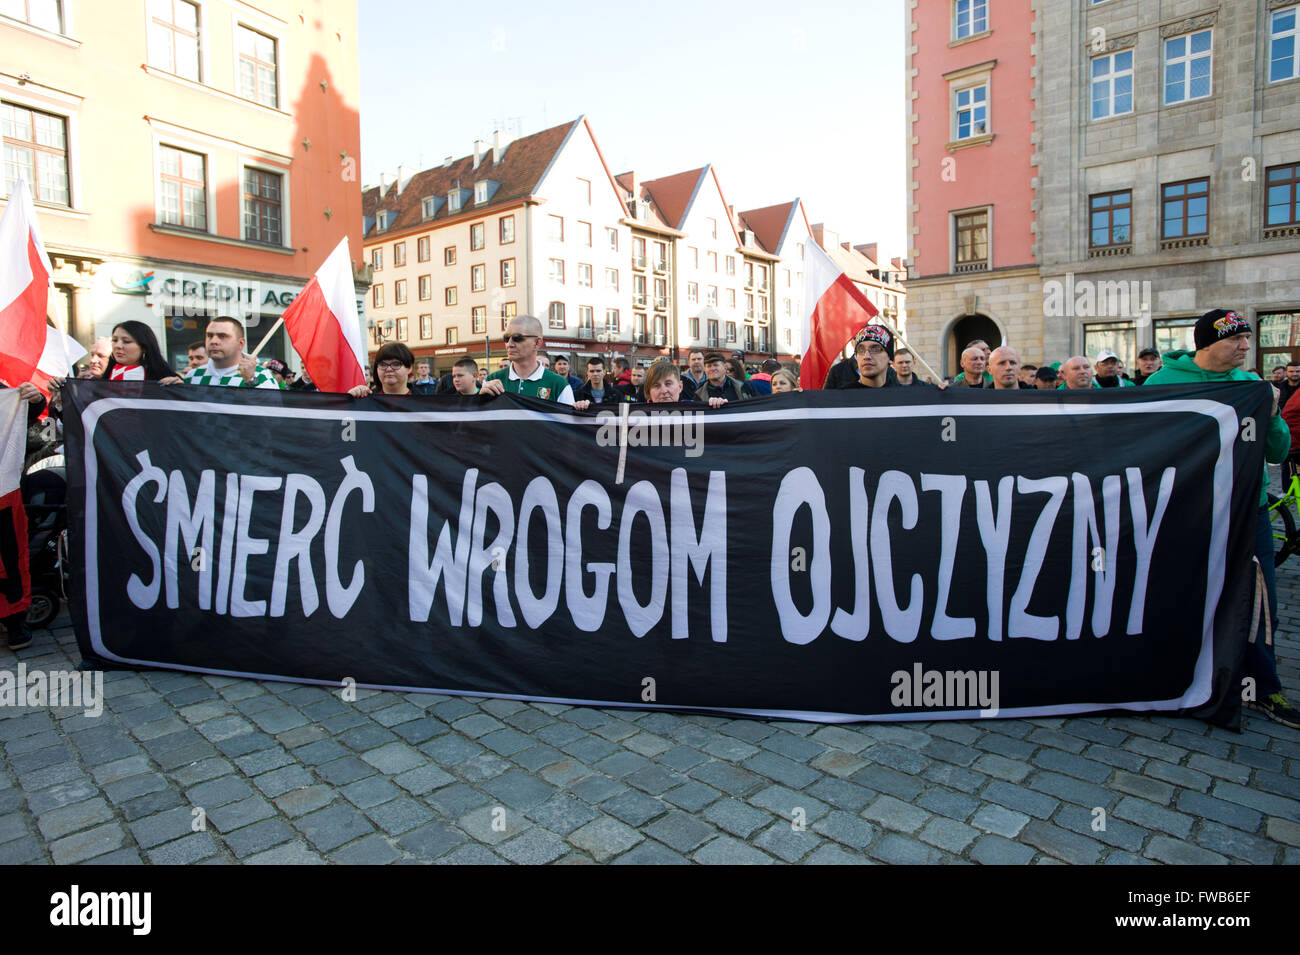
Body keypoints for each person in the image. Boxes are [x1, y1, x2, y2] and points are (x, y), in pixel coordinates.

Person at [1146, 308, 1298, 727]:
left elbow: (1277, 454)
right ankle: (1168, 673)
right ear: (1208, 343)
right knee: (1175, 589)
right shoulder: (1162, 384)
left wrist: (1272, 416)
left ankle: (1264, 687)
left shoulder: (1252, 386)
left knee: (1260, 595)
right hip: (1184, 509)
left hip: (1248, 510)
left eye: (1248, 339)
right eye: (1237, 339)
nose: (1246, 347)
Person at [480, 315, 575, 405]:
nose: (509, 344)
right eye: (506, 338)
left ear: (537, 343)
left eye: (517, 338)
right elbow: (480, 419)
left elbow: (570, 420)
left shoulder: (559, 385)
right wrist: (480, 399)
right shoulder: (491, 381)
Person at [182, 317, 281, 388]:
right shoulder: (193, 376)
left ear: (240, 343)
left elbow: (271, 412)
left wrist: (251, 380)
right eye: (209, 336)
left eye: (222, 336)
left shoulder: (262, 375)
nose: (213, 341)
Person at [101, 321, 183, 383]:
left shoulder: (163, 379)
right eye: (114, 340)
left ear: (144, 347)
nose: (118, 346)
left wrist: (179, 388)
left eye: (126, 341)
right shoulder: (101, 379)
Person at [842, 325, 901, 389]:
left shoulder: (903, 396)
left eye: (875, 349)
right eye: (861, 349)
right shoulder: (842, 396)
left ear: (890, 357)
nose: (866, 356)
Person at [349, 342, 414, 397]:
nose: (388, 369)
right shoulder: (365, 400)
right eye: (383, 364)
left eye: (396, 364)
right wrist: (349, 399)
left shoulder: (422, 401)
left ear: (409, 368)